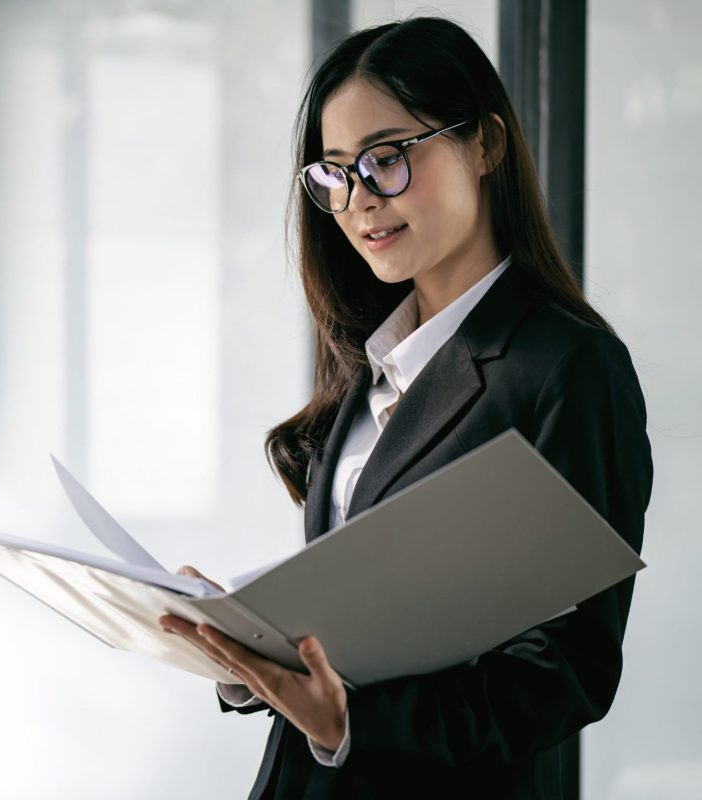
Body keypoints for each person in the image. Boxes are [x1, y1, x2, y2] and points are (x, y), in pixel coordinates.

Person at [159, 15, 653, 799]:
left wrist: (349, 723)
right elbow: (359, 622)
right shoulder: (374, 362)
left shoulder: (567, 369)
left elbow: (567, 671)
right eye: (334, 173)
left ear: (485, 145)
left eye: (387, 159)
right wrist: (251, 649)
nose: (359, 201)